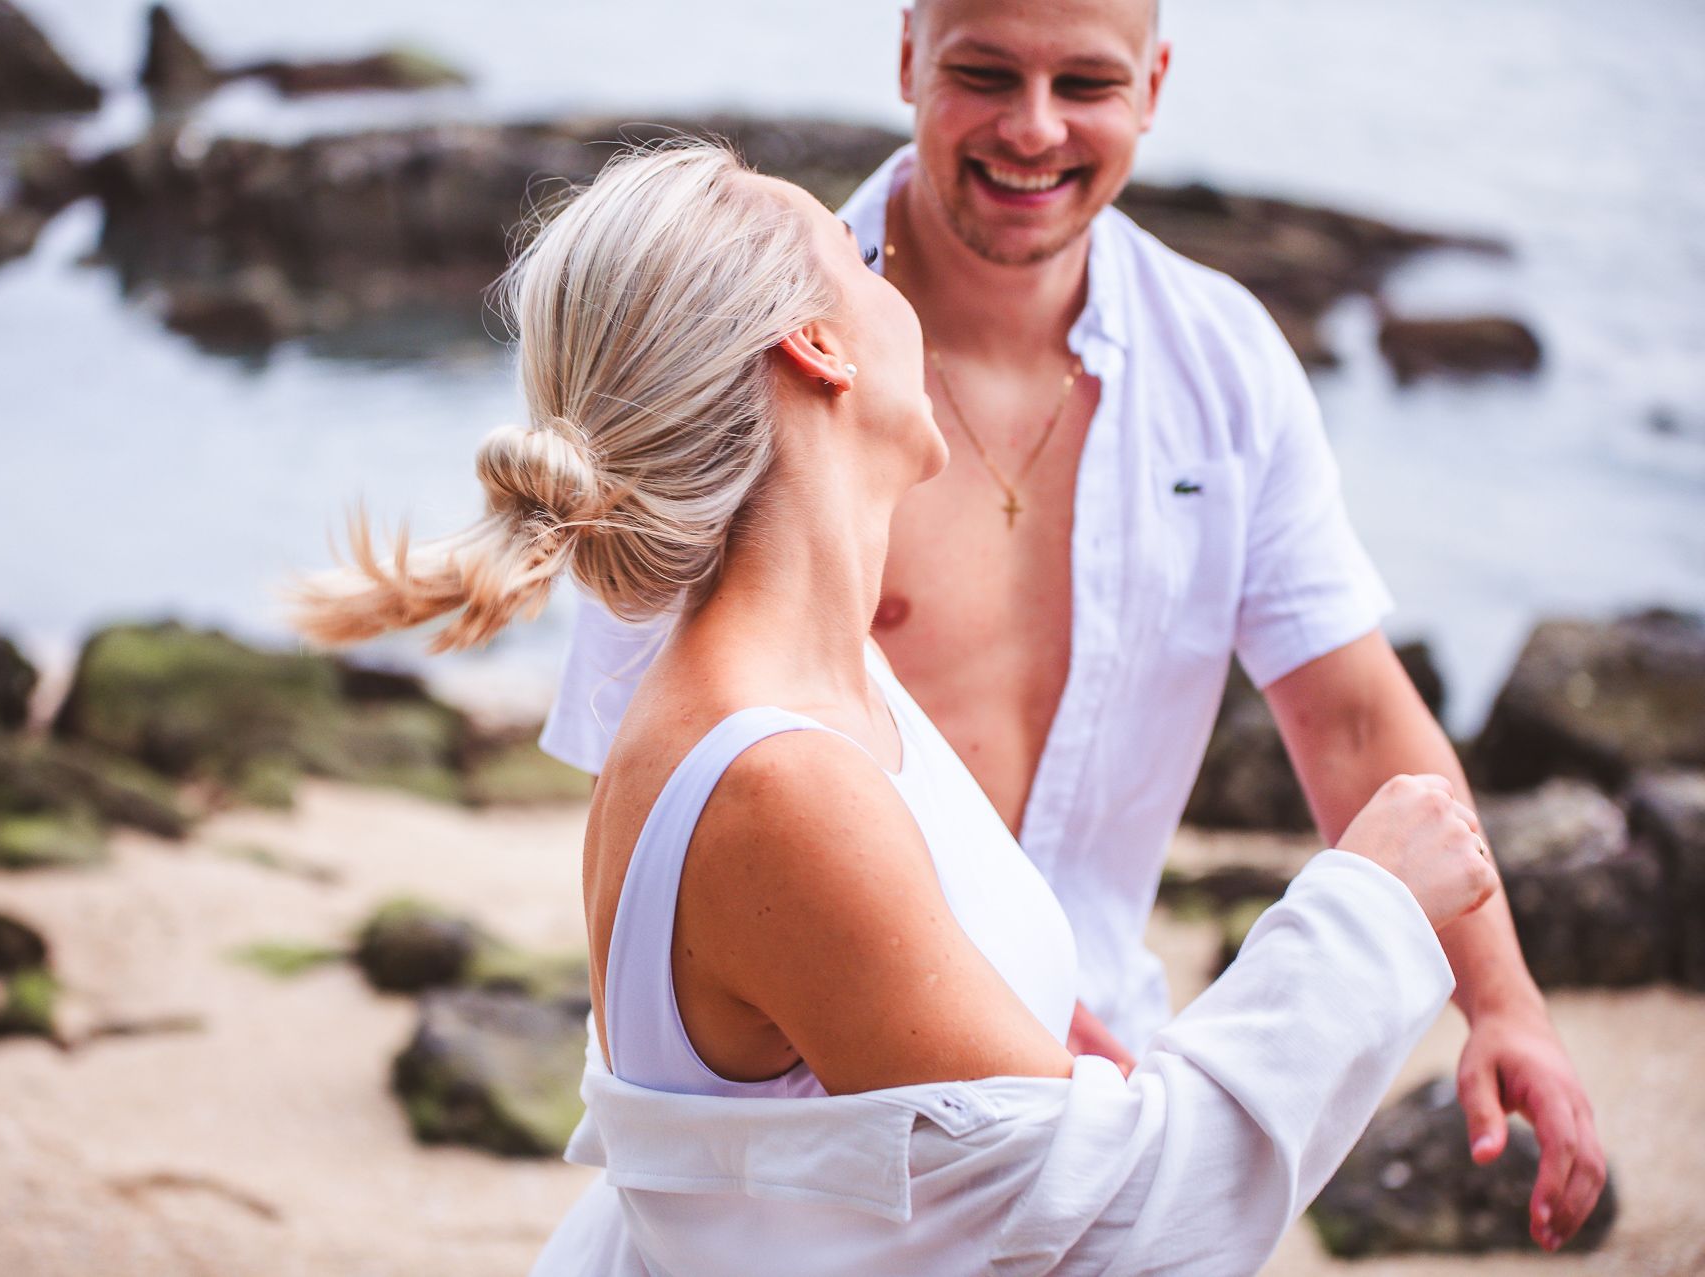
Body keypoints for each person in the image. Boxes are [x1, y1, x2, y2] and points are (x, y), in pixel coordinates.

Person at [296, 141, 1501, 1275]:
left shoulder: (828, 681)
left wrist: (1018, 1016)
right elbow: (1115, 1234)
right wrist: (1368, 911)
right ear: (818, 348)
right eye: (864, 262)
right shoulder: (777, 780)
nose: (903, 288)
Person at [537, 0, 1606, 1250]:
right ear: (909, 60)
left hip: (1069, 1056)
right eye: (986, 71)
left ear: (1152, 84)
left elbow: (1355, 710)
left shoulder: (1216, 367)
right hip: (870, 1138)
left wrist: (1504, 999)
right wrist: (1369, 919)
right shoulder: (716, 393)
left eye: (1085, 83)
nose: (1033, 126)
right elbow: (693, 886)